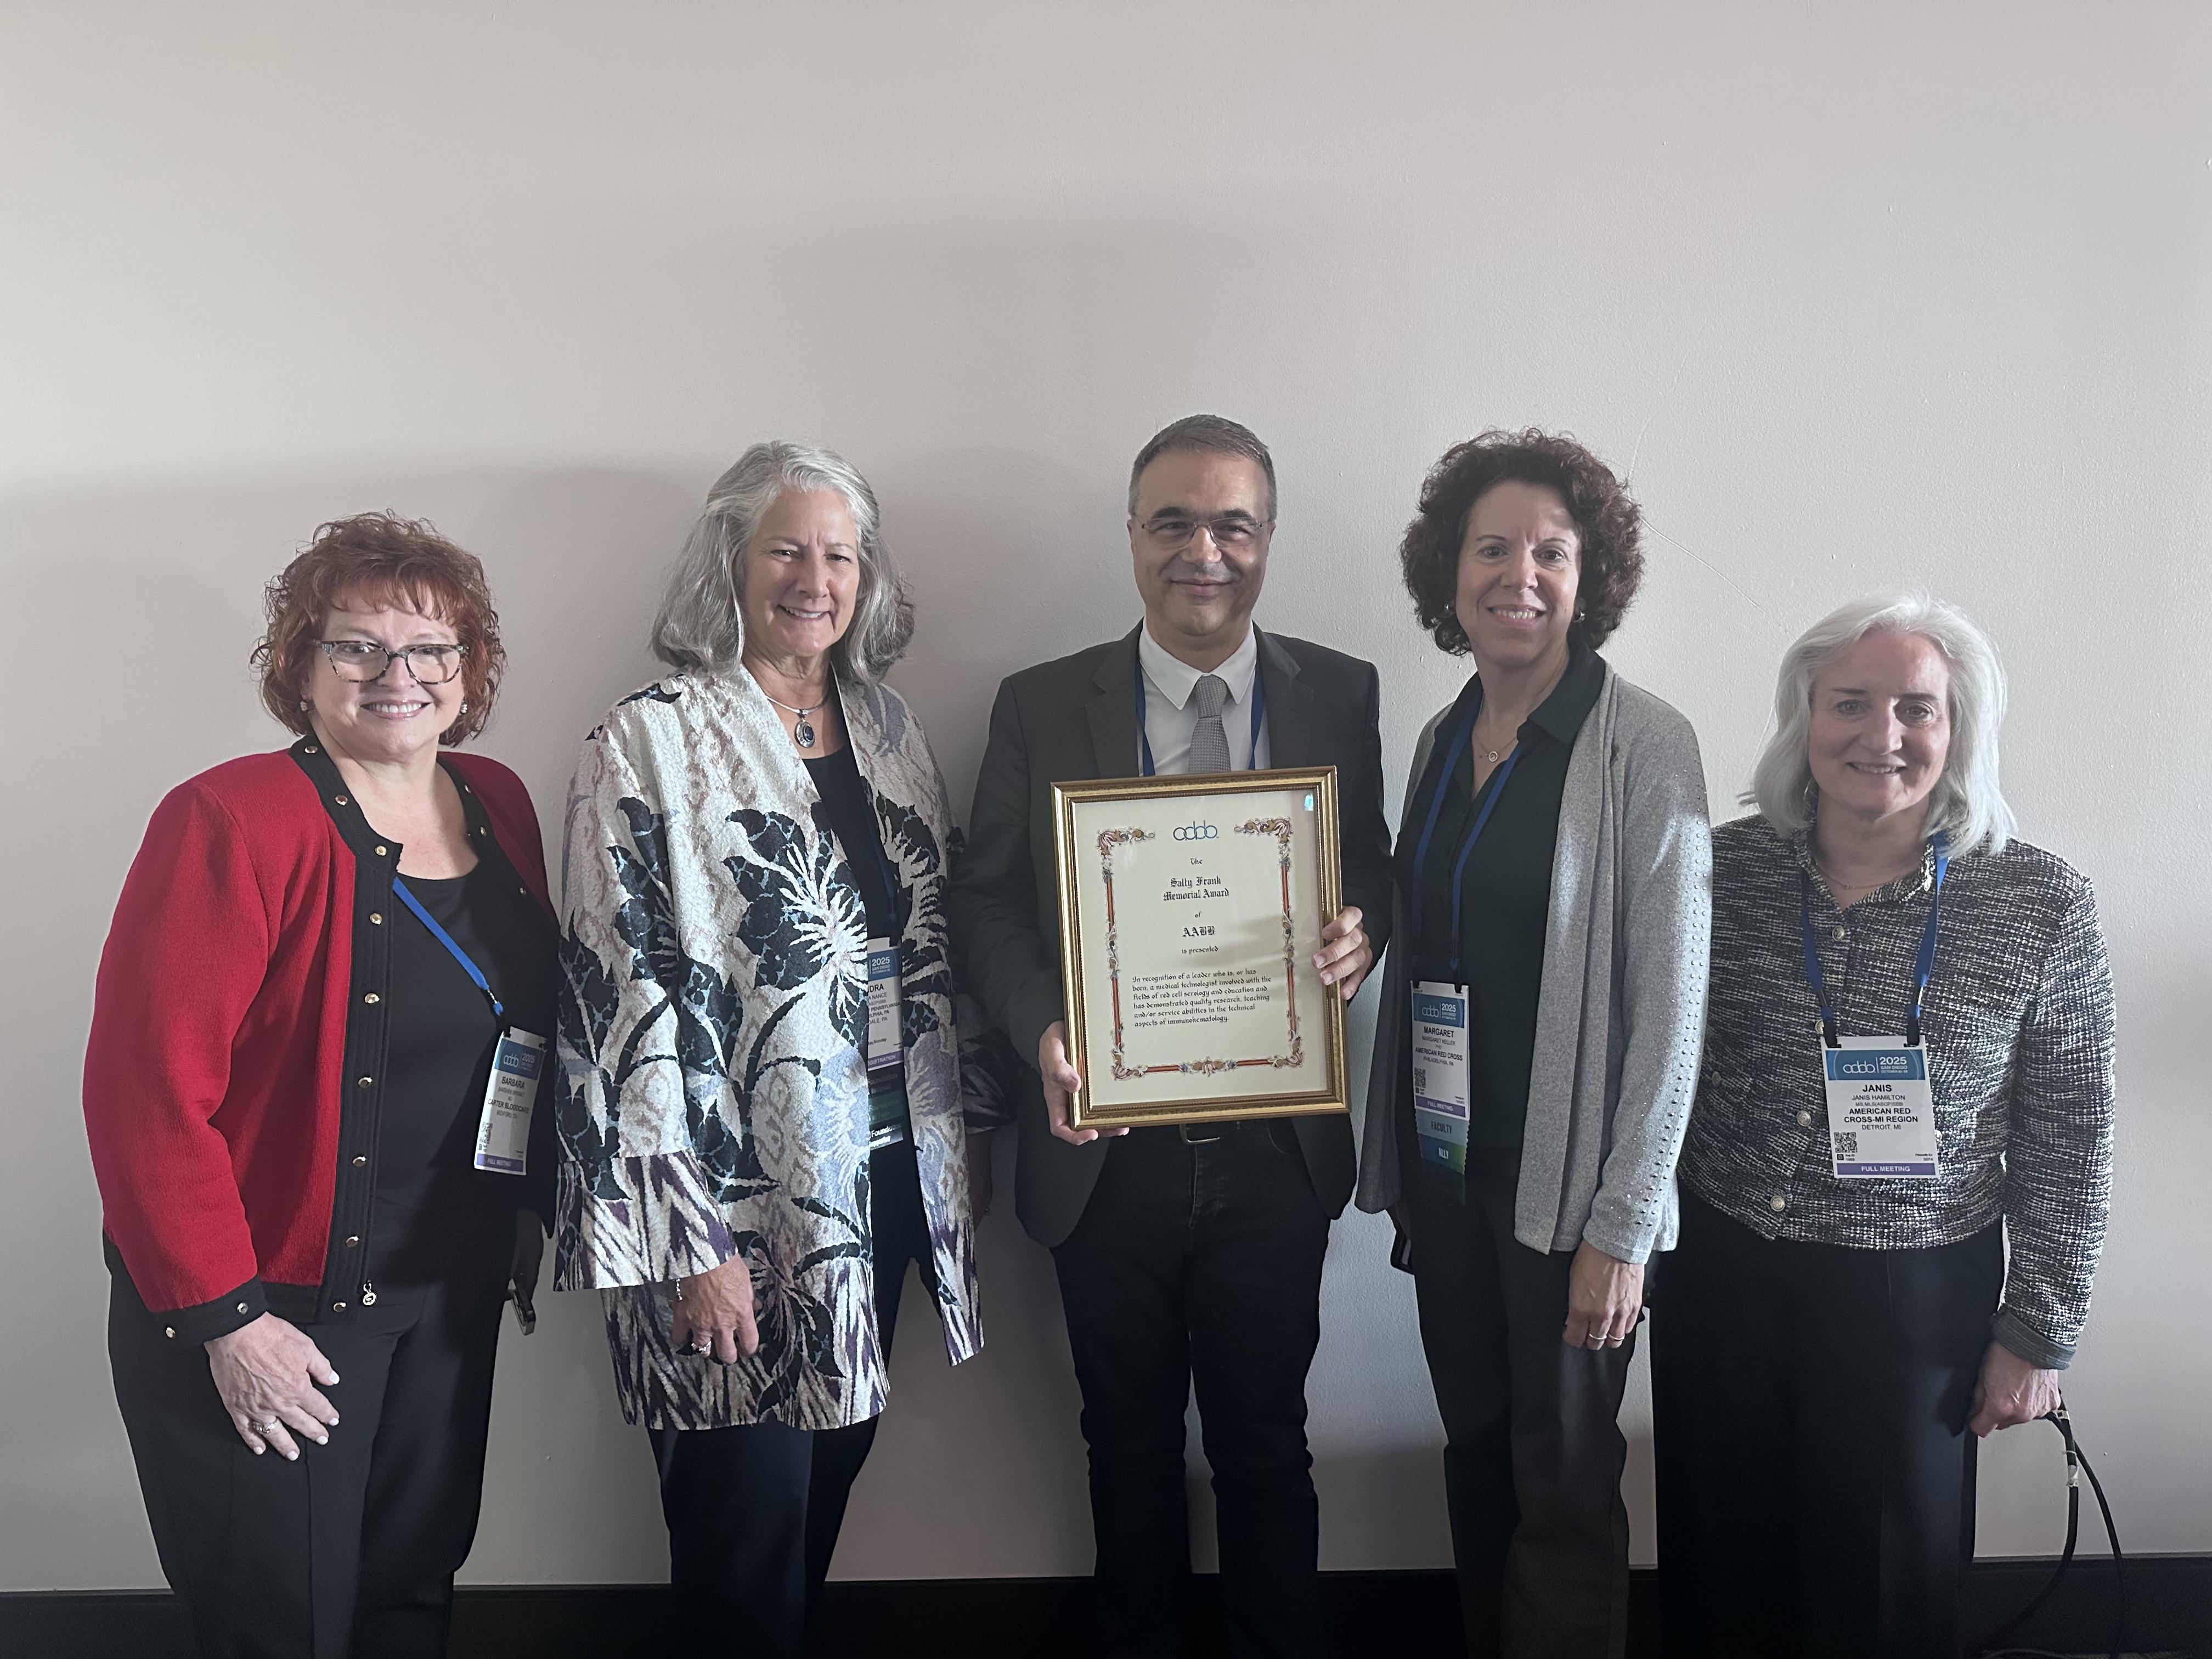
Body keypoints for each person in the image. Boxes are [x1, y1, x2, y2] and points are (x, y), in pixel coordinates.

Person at [555, 441, 1011, 1656]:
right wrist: (688, 1241)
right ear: (731, 563)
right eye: (786, 551)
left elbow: (935, 947)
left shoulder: (891, 729)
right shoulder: (648, 738)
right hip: (731, 1209)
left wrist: (996, 1112)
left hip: (883, 1182)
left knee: (823, 1492)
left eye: (840, 556)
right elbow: (619, 995)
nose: (815, 580)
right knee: (742, 1528)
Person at [949, 414, 1393, 1658]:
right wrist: (1043, 1024)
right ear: (1133, 536)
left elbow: (1373, 866)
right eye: (1175, 524)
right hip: (1106, 1149)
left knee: (1268, 1447)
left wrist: (1365, 931)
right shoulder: (1042, 702)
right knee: (1127, 1448)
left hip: (1275, 1147)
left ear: (1269, 538)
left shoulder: (1342, 690)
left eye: (1233, 526)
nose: (1205, 553)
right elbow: (984, 901)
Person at [83, 514, 555, 1656]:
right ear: (301, 666)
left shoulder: (499, 804)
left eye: (431, 648)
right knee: (280, 1623)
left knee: (411, 1592)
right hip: (274, 1308)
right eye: (358, 646)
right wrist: (229, 1324)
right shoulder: (232, 819)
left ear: (470, 669)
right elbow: (146, 1097)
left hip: (446, 1294)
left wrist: (525, 1216)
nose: (399, 675)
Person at [1651, 594, 2117, 1659]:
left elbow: (2071, 1138)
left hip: (1917, 1295)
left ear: (1959, 730)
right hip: (1723, 1273)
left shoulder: (2041, 903)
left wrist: (2038, 1334)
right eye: (1850, 704)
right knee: (1720, 1573)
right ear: (1805, 718)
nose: (1883, 736)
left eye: (1917, 708)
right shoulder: (1719, 873)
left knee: (1883, 1594)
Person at [1354, 429, 1711, 1659]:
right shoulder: (1440, 740)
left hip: (1571, 1197)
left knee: (1561, 1482)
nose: (1521, 575)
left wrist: (1625, 1226)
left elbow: (1674, 1009)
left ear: (1589, 575)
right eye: (1492, 548)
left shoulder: (1642, 744)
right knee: (1478, 1453)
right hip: (1449, 1177)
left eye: (1551, 552)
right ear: (1447, 574)